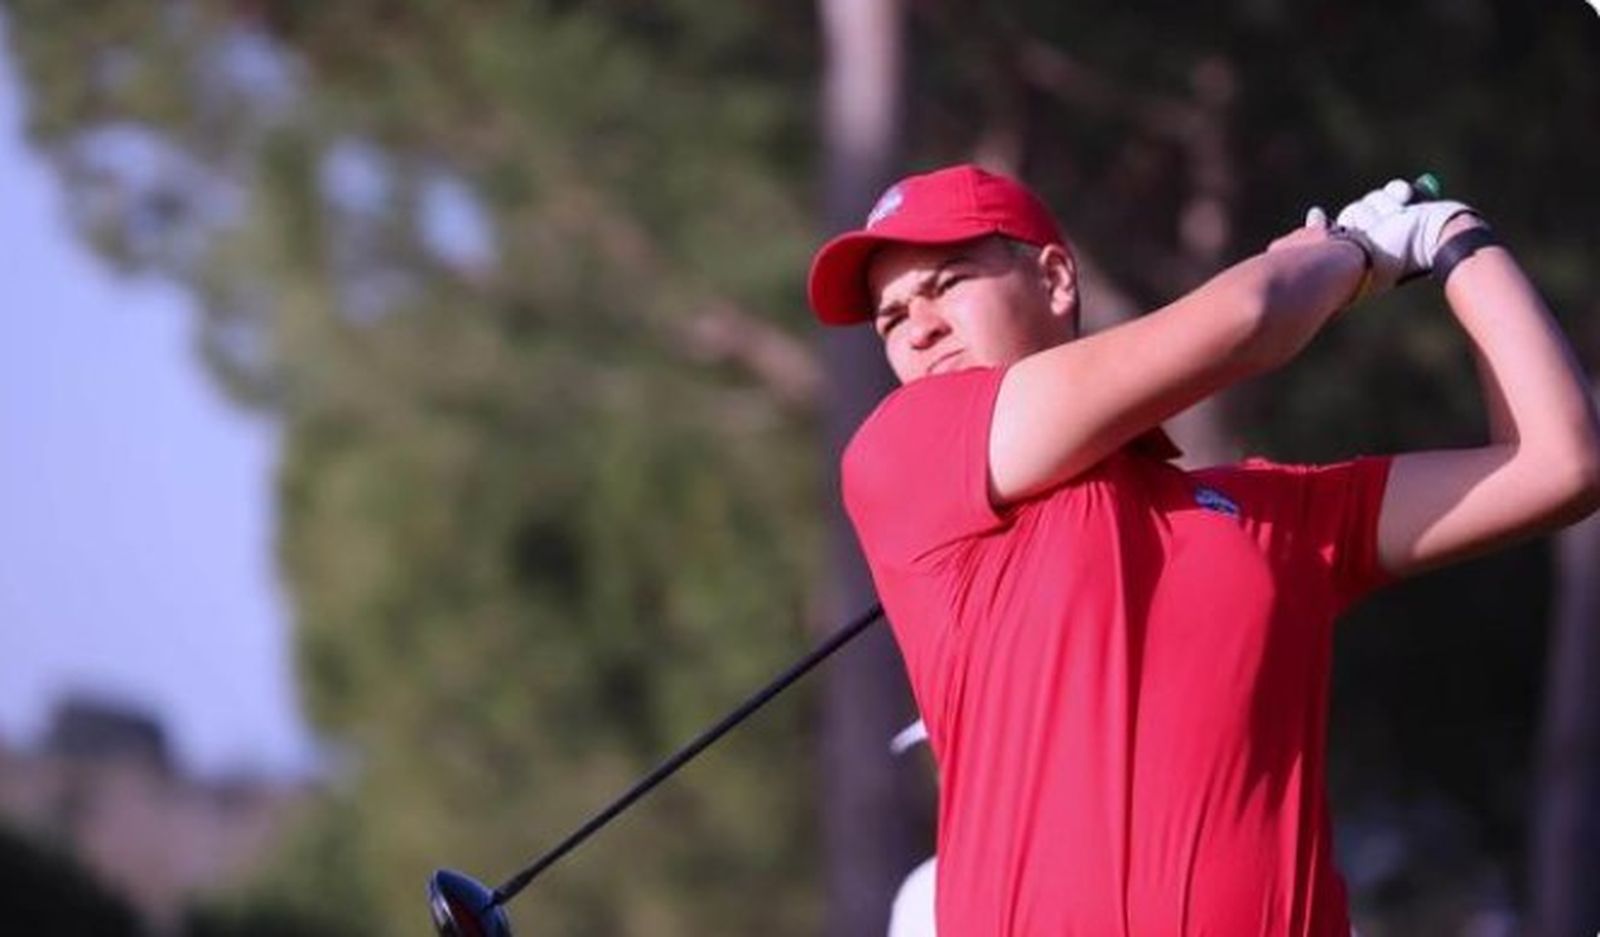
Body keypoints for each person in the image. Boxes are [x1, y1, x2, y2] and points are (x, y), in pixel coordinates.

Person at [807, 164, 1600, 936]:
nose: (919, 326)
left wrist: (1454, 242)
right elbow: (1254, 315)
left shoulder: (1271, 511)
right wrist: (1347, 255)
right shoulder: (901, 451)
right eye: (890, 317)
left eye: (947, 283)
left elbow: (1557, 465)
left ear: (1053, 280)